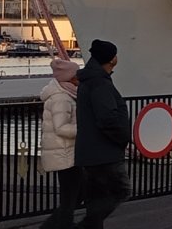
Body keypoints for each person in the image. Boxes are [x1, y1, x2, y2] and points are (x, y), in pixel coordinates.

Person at [75, 39, 130, 229]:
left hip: (90, 150)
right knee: (120, 190)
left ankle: (91, 225)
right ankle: (86, 226)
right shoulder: (100, 83)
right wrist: (123, 138)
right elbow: (107, 118)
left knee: (96, 196)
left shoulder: (89, 80)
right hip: (104, 151)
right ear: (112, 59)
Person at [39, 58, 81, 229]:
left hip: (63, 152)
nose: (79, 78)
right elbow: (61, 128)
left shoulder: (64, 94)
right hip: (65, 153)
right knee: (71, 195)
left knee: (70, 195)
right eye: (76, 75)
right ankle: (58, 225)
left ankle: (58, 225)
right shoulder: (62, 98)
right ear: (69, 78)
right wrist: (84, 129)